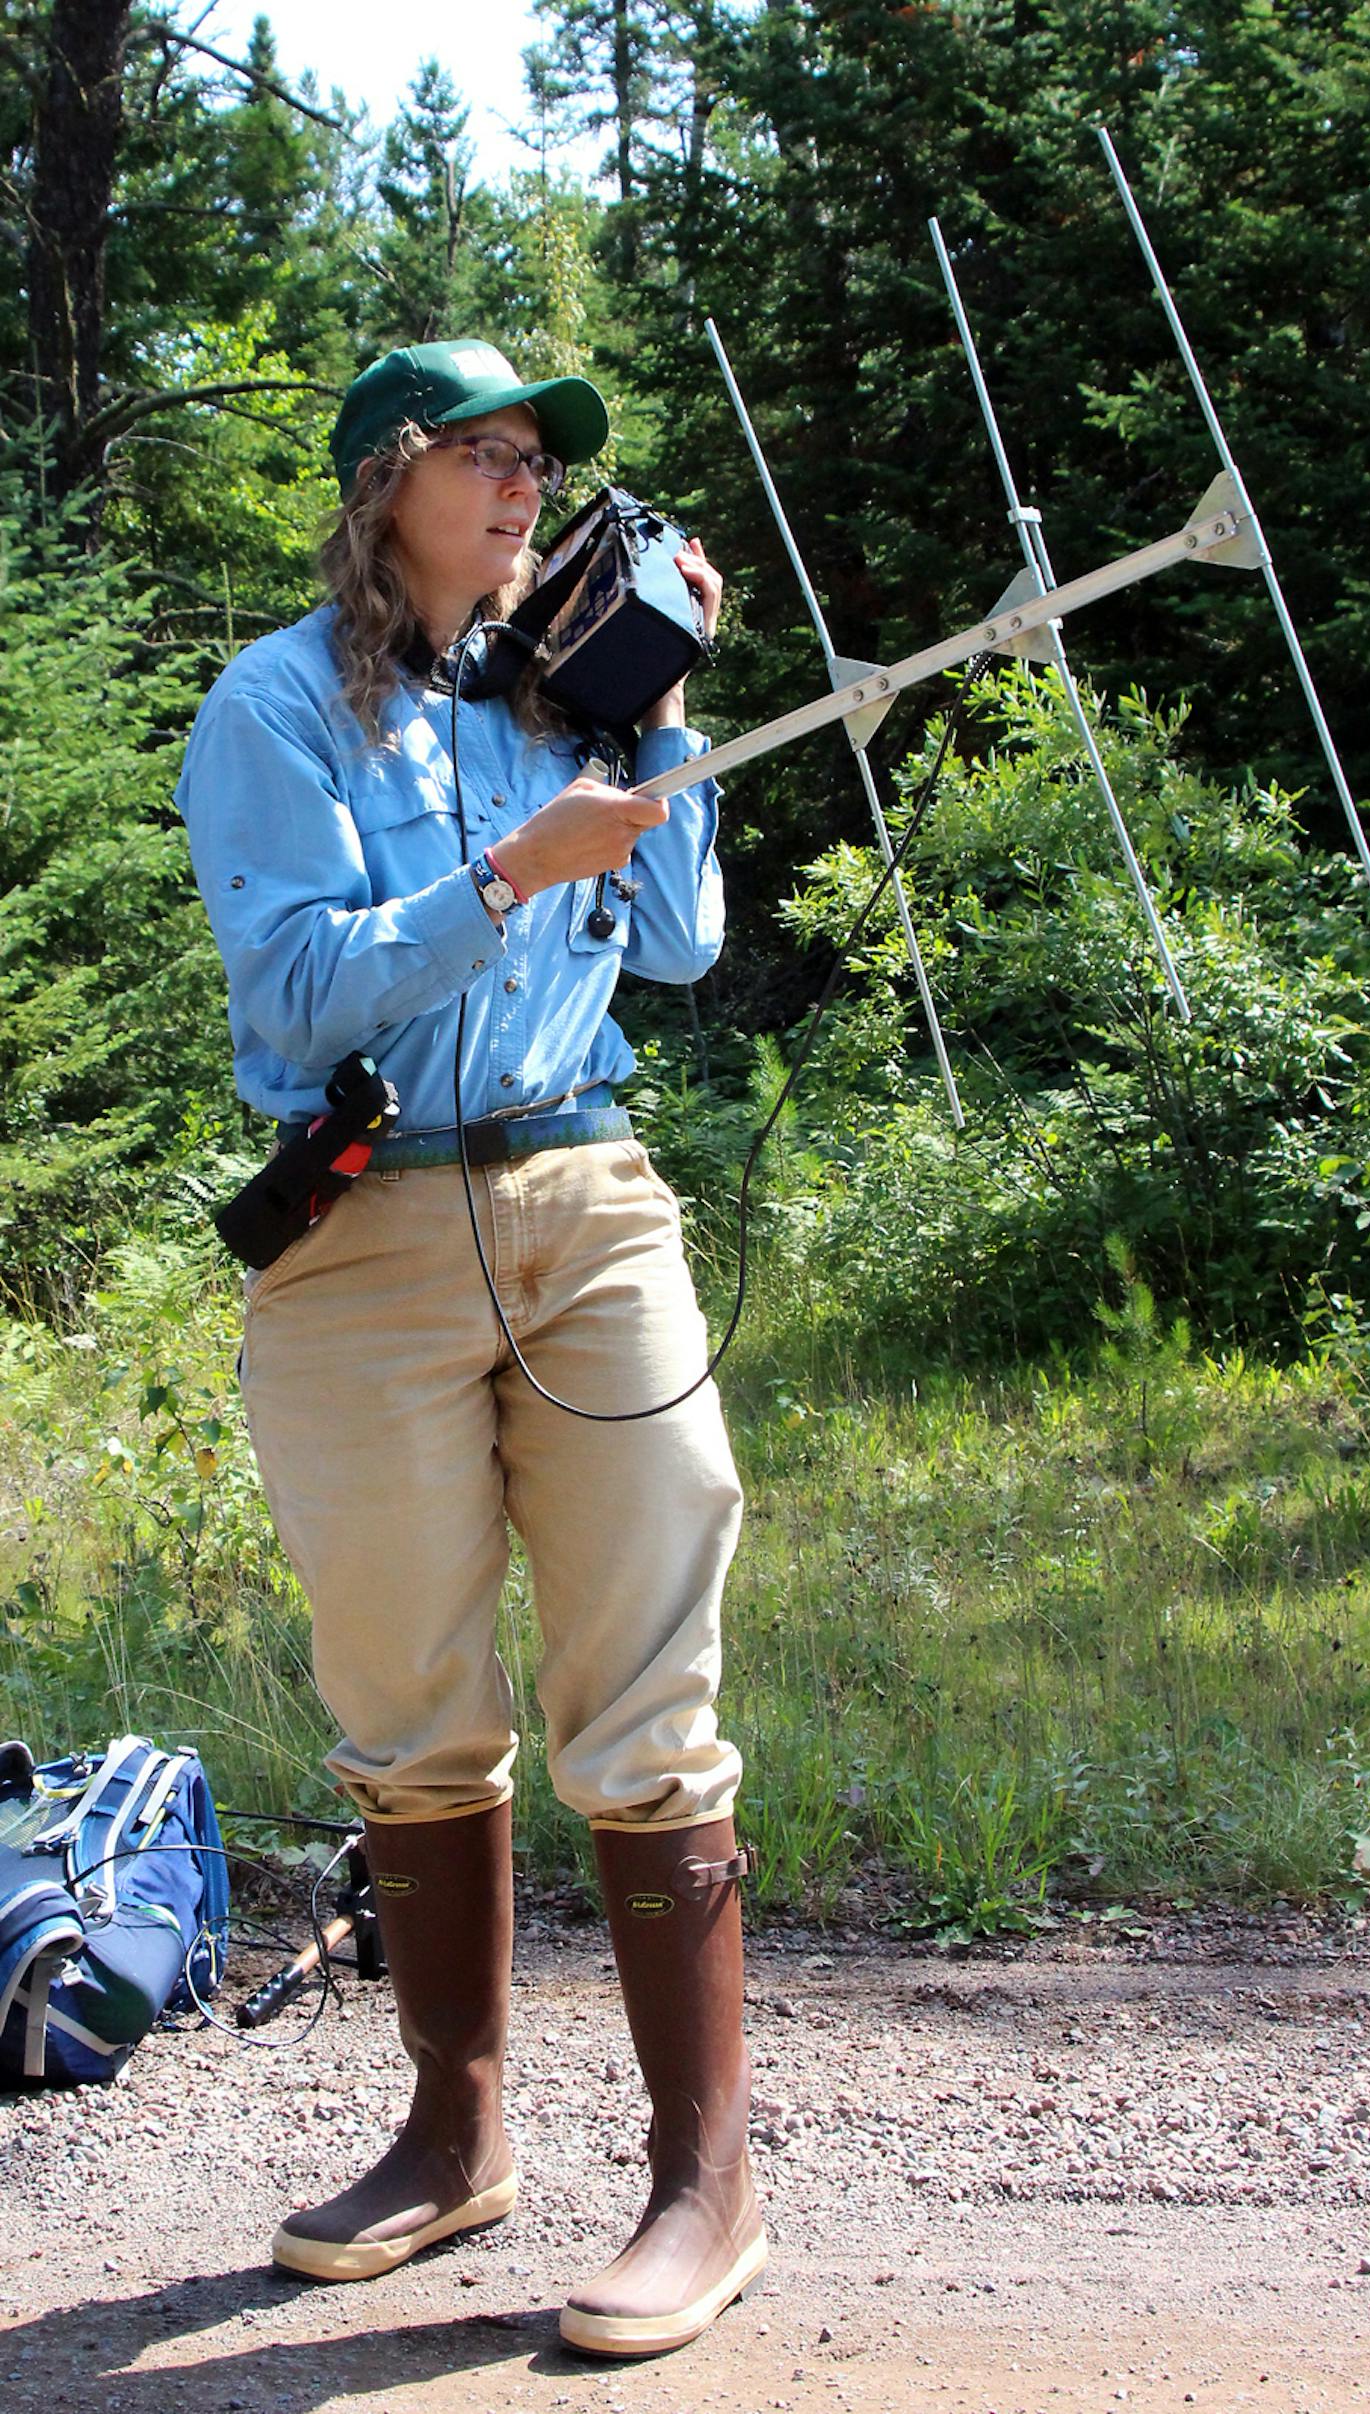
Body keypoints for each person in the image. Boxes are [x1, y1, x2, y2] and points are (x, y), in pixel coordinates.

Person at [177, 340, 765, 2358]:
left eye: (539, 461)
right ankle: (456, 2137)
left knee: (646, 1683)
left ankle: (701, 2187)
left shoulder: (561, 695)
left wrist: (658, 725)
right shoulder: (274, 705)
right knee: (410, 1691)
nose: (524, 485)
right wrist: (514, 863)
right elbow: (293, 980)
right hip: (364, 1239)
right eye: (485, 454)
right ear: (386, 482)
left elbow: (678, 946)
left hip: (588, 1204)